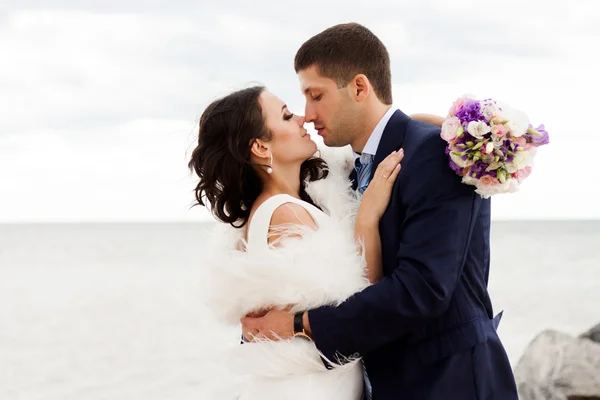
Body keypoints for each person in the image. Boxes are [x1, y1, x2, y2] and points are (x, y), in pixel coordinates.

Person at [241, 23, 519, 399]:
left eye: (316, 95)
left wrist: (298, 324)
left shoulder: (433, 155)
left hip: (451, 380)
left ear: (359, 87)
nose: (308, 114)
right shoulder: (353, 171)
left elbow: (422, 290)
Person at [190, 85, 441, 399]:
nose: (301, 118)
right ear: (259, 147)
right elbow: (362, 302)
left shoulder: (294, 201)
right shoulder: (283, 213)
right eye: (285, 116)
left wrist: (414, 125)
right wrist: (367, 216)